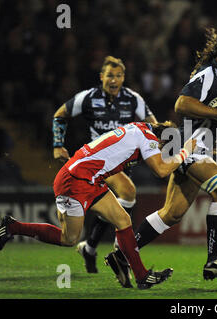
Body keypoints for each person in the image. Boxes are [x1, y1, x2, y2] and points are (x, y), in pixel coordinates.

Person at [105, 28, 217, 286]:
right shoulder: (208, 73)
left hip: (195, 149)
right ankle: (213, 261)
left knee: (171, 213)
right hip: (190, 147)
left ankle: (121, 255)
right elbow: (181, 104)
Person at [0, 121, 196, 289]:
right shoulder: (149, 139)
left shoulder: (140, 128)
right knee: (69, 238)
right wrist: (184, 153)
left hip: (90, 179)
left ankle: (142, 277)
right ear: (162, 141)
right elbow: (161, 171)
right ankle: (12, 226)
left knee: (123, 220)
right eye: (164, 149)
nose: (161, 153)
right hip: (75, 181)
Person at [52, 56, 158, 273]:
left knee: (121, 202)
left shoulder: (133, 98)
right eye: (110, 75)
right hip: (97, 162)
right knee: (128, 192)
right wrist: (57, 144)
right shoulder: (88, 98)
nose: (114, 80)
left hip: (123, 164)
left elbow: (153, 124)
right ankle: (120, 251)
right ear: (101, 77)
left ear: (124, 78)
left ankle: (90, 247)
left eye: (119, 76)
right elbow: (60, 115)